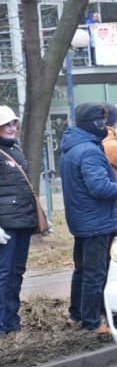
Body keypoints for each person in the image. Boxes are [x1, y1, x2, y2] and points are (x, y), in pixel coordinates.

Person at [60, 103, 117, 333]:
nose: (106, 126)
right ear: (95, 123)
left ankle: (76, 315)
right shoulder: (90, 151)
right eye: (103, 121)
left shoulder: (73, 146)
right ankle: (92, 323)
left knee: (82, 270)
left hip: (82, 219)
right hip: (96, 221)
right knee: (95, 273)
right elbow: (99, 188)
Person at [0, 107, 38, 335]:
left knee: (16, 272)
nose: (12, 128)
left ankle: (11, 321)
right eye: (7, 124)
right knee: (3, 274)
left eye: (14, 123)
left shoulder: (15, 149)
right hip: (6, 225)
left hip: (22, 222)